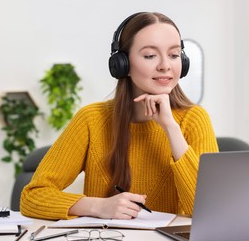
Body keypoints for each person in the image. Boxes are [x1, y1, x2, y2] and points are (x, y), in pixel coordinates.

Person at [20, 12, 218, 220]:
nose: (165, 66)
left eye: (174, 55)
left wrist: (171, 128)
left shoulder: (194, 119)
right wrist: (98, 207)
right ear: (122, 64)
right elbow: (33, 197)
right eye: (150, 55)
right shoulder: (91, 119)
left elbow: (212, 212)